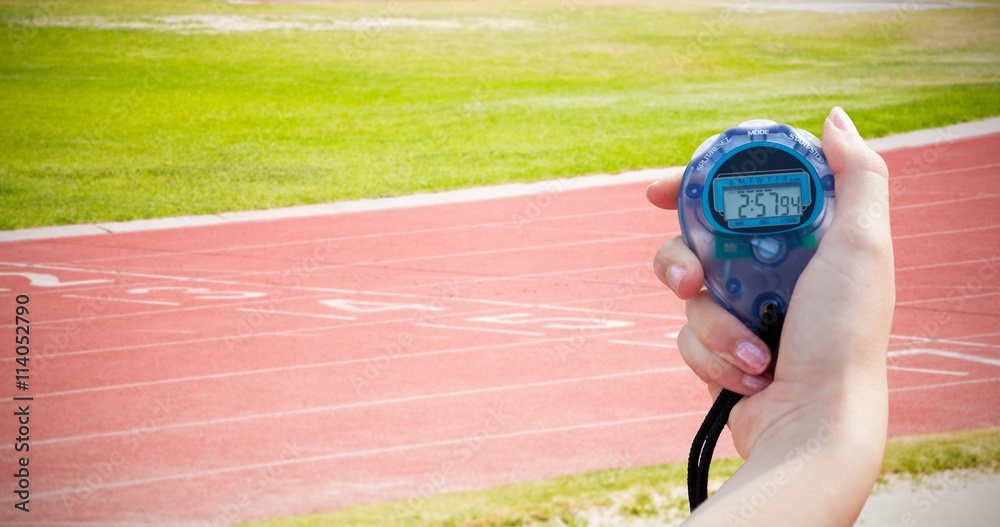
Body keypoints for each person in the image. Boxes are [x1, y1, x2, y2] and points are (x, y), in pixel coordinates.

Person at [646, 107, 895, 526]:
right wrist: (810, 427)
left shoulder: (710, 185)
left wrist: (812, 416)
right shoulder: (794, 183)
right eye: (748, 203)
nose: (765, 247)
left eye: (778, 201)